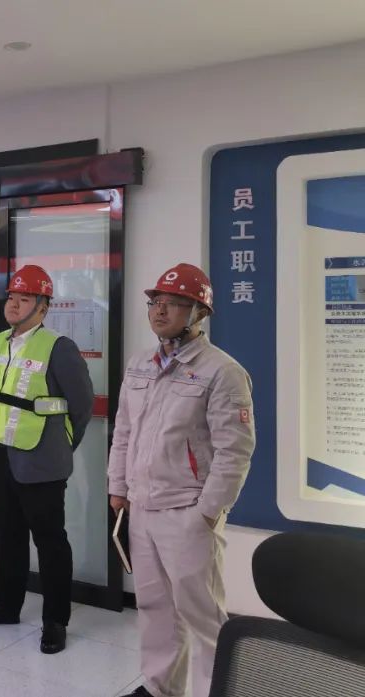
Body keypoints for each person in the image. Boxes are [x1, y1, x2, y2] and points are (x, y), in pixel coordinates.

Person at [110, 263, 254, 697]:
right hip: (141, 507)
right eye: (156, 302)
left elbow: (234, 451)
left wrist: (207, 512)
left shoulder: (222, 371)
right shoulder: (140, 364)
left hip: (187, 511)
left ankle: (216, 690)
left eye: (173, 303)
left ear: (199, 313)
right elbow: (124, 430)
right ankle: (160, 688)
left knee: (203, 615)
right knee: (154, 608)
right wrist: (118, 488)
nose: (160, 310)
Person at [0, 264, 94, 656]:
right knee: (7, 534)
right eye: (11, 297)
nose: (14, 304)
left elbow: (82, 405)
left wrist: (63, 444)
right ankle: (6, 604)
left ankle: (55, 620)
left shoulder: (58, 347)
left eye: (24, 298)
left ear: (43, 306)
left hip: (42, 458)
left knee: (50, 541)